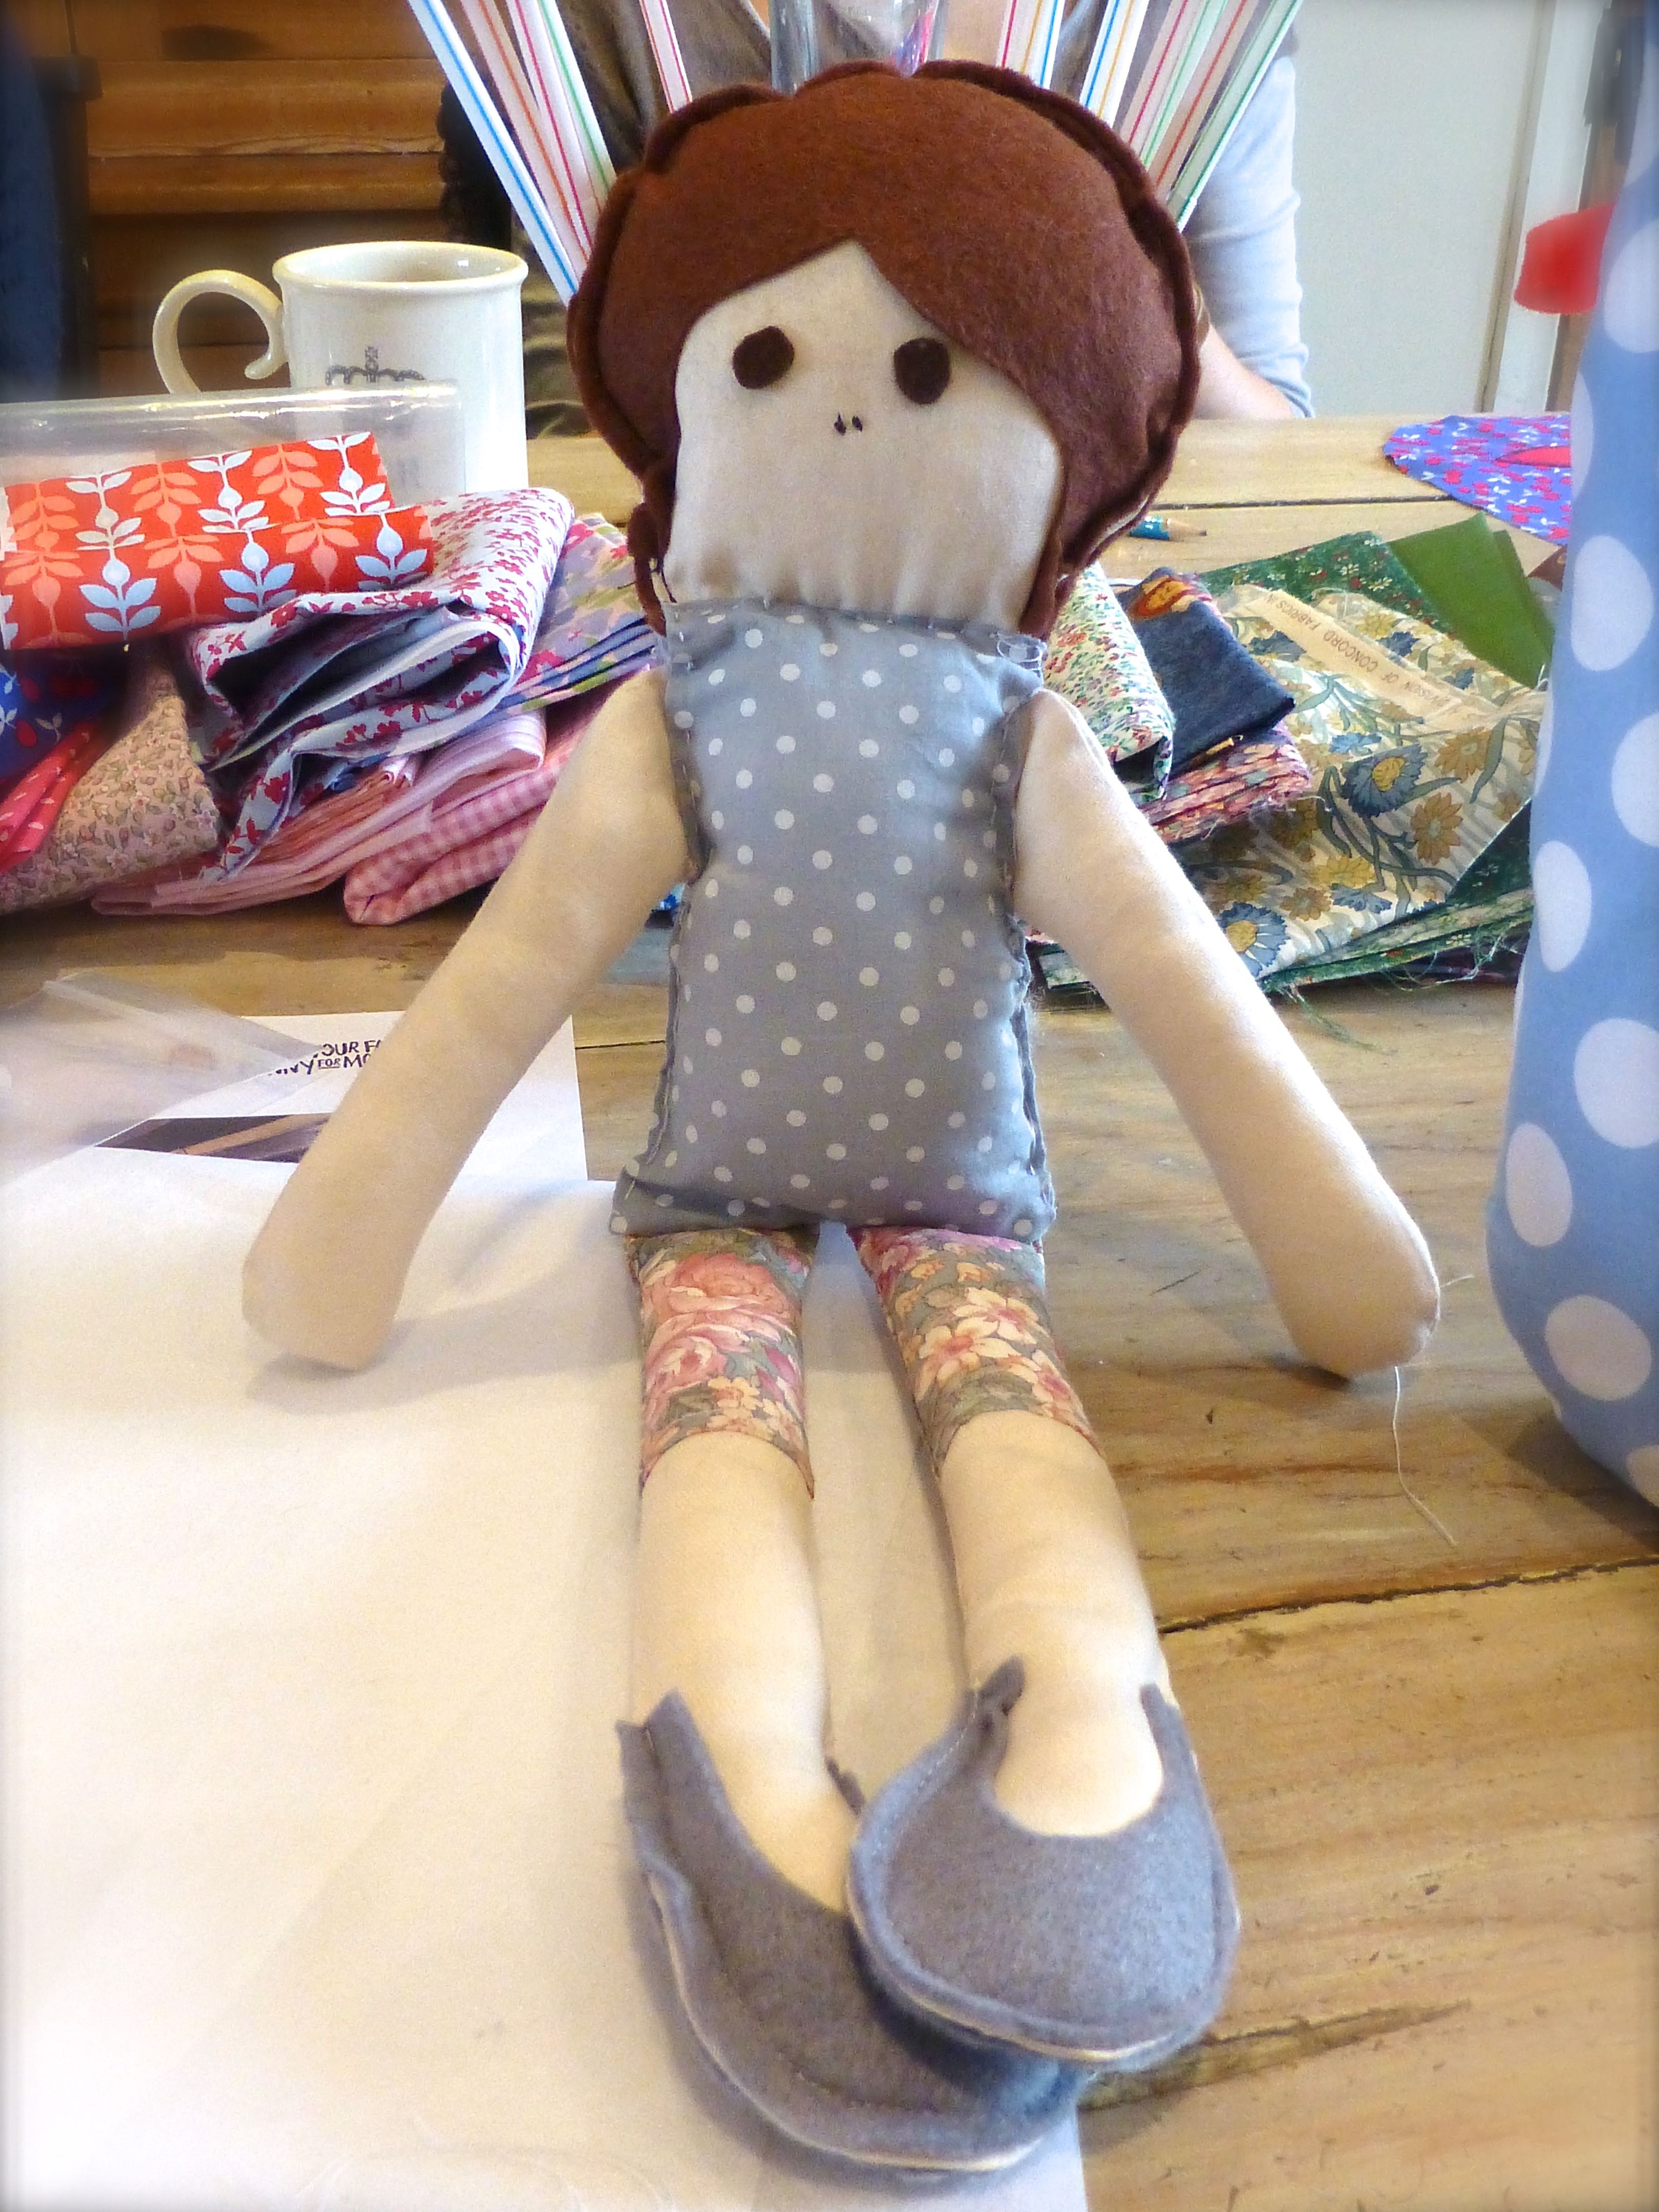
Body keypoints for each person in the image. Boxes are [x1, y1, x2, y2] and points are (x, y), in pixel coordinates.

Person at [506, 2, 1311, 430]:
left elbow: (1279, 434)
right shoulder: (598, 21)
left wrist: (1145, 295)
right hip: (733, 591)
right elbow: (561, 425)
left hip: (1077, 597)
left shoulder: (1190, 31)